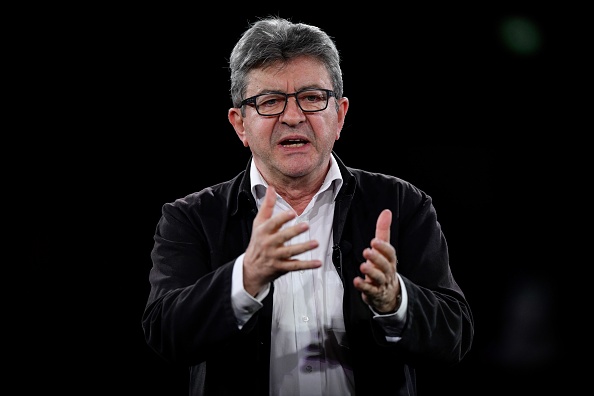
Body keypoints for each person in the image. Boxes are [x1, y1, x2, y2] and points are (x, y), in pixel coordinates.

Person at [142, 16, 474, 396]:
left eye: (312, 97)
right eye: (269, 102)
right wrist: (245, 279)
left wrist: (396, 300)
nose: (294, 116)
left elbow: (455, 338)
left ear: (340, 115)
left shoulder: (402, 204)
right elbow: (165, 335)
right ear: (240, 125)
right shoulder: (190, 218)